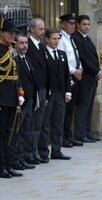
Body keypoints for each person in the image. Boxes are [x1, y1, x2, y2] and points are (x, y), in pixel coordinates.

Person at [38, 28, 72, 160]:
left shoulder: (62, 54)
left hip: (60, 93)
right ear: (47, 39)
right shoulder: (43, 53)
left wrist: (68, 91)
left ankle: (57, 150)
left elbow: (65, 75)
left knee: (58, 122)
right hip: (48, 93)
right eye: (54, 39)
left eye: (58, 39)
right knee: (45, 123)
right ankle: (43, 152)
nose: (56, 41)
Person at [58, 14, 90, 146]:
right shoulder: (61, 39)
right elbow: (62, 59)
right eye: (69, 24)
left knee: (71, 109)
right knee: (65, 109)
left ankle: (68, 135)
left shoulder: (71, 39)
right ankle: (64, 137)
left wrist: (80, 69)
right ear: (63, 24)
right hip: (68, 76)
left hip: (76, 76)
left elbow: (75, 56)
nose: (72, 26)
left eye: (73, 24)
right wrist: (73, 71)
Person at [0, 18, 25, 178]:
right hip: (1, 97)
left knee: (10, 133)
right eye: (9, 33)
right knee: (1, 134)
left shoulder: (11, 50)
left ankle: (8, 164)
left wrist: (20, 93)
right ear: (1, 33)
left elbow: (16, 75)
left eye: (13, 33)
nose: (12, 36)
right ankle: (1, 166)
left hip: (11, 98)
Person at [73, 15, 102, 142]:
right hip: (85, 77)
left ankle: (87, 131)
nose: (86, 27)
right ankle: (80, 134)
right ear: (78, 25)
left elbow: (94, 57)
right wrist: (96, 71)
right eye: (84, 24)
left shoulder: (87, 38)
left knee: (89, 106)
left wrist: (98, 71)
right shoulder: (76, 38)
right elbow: (83, 59)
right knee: (83, 106)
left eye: (88, 24)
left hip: (92, 79)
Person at [11, 33, 37, 170]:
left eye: (26, 43)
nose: (25, 46)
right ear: (15, 44)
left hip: (30, 100)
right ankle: (17, 159)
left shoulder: (27, 58)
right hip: (20, 102)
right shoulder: (14, 60)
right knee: (18, 132)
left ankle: (25, 156)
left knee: (27, 130)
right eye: (21, 43)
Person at [26, 18, 48, 164]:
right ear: (32, 29)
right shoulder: (27, 46)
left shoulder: (41, 46)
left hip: (42, 89)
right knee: (29, 124)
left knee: (38, 123)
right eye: (40, 29)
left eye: (43, 28)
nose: (43, 31)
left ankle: (34, 151)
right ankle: (28, 153)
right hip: (32, 90)